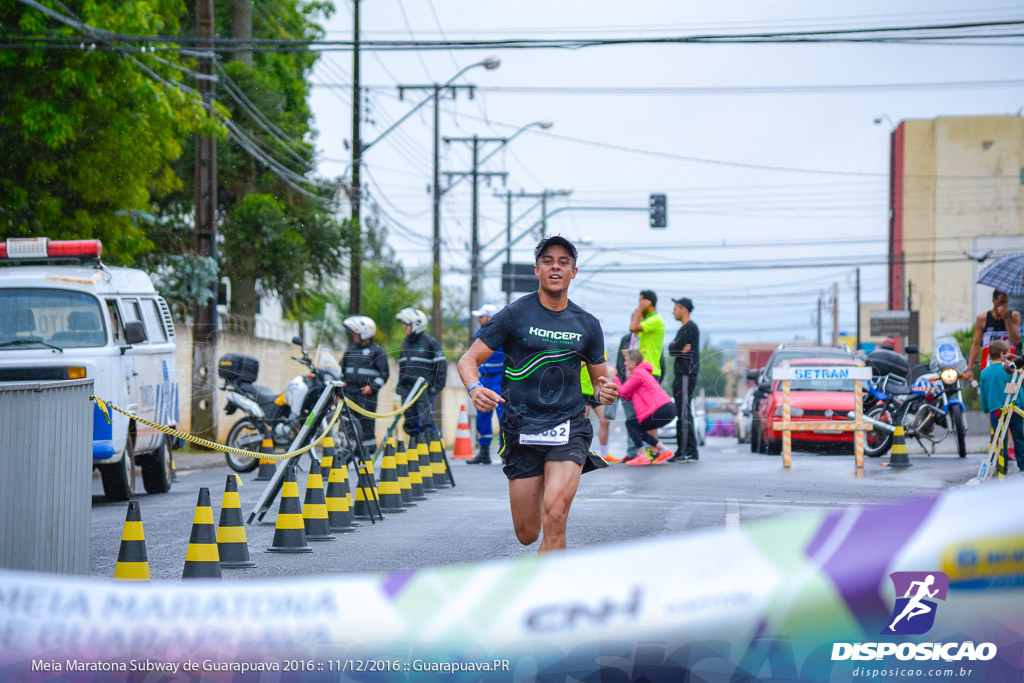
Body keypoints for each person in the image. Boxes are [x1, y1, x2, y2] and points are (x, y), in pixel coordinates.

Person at [457, 235, 617, 553]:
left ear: (573, 272)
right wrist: (475, 388)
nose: (555, 267)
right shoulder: (514, 315)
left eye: (563, 262)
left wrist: (605, 390)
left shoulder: (587, 324)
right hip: (522, 427)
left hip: (568, 426)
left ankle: (549, 594)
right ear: (537, 270)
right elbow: (468, 360)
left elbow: (599, 381)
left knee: (555, 515)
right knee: (528, 533)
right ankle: (543, 477)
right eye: (547, 261)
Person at [614, 349, 675, 465]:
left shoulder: (638, 372)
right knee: (638, 428)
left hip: (662, 408)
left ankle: (642, 455)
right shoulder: (641, 373)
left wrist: (615, 377)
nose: (625, 364)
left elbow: (622, 391)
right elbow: (626, 396)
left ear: (633, 361)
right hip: (667, 409)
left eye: (627, 361)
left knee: (631, 423)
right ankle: (664, 451)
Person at [340, 316, 390, 457]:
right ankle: (347, 452)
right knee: (347, 424)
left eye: (356, 333)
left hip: (366, 395)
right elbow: (341, 371)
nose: (354, 336)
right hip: (349, 394)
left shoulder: (377, 351)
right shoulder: (350, 350)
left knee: (366, 425)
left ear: (365, 333)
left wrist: (372, 387)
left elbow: (384, 375)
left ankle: (366, 454)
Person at [396, 308, 447, 440]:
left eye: (407, 325)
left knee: (425, 422)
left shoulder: (430, 342)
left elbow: (441, 367)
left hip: (423, 391)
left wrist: (434, 388)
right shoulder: (405, 343)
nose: (405, 328)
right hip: (407, 391)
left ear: (417, 324)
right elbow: (403, 368)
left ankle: (430, 451)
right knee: (410, 423)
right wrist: (400, 387)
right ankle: (416, 452)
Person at [979, 339, 1024, 473]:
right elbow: (1017, 389)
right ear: (1002, 354)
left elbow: (983, 393)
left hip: (995, 410)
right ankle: (1022, 465)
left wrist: (986, 409)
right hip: (1013, 409)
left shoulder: (984, 373)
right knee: (1018, 437)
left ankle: (1001, 469)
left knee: (999, 439)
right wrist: (1021, 405)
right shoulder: (1009, 369)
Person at [468, 304, 503, 465]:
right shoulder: (480, 335)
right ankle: (483, 452)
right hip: (484, 379)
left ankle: (506, 451)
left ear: (490, 317)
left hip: (500, 379)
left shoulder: (503, 333)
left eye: (481, 316)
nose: (479, 319)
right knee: (482, 416)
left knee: (504, 416)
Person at [668, 296, 700, 462]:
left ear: (684, 309)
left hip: (686, 373)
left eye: (676, 308)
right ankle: (688, 449)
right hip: (681, 373)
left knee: (684, 412)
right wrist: (678, 348)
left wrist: (676, 347)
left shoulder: (690, 328)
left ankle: (686, 450)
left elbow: (673, 348)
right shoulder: (684, 329)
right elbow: (672, 349)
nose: (673, 312)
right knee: (682, 411)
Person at [966, 289, 1022, 382]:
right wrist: (969, 368)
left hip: (1009, 368)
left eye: (1006, 302)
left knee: (1009, 395)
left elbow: (1016, 340)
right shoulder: (983, 318)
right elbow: (976, 344)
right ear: (994, 300)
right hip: (988, 367)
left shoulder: (1013, 316)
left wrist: (1006, 318)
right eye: (1001, 302)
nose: (1004, 305)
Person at [580, 355, 613, 461]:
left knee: (605, 420)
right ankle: (581, 453)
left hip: (596, 389)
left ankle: (604, 453)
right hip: (582, 389)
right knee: (583, 422)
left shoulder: (602, 347)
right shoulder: (581, 344)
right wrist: (589, 360)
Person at [629, 290, 665, 379]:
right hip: (644, 370)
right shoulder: (649, 320)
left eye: (640, 302)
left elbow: (633, 328)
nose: (639, 305)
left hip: (650, 371)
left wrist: (639, 310)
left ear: (648, 302)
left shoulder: (655, 320)